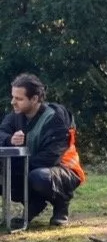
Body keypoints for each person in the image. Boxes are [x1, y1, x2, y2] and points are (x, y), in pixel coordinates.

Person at [6, 73, 86, 229]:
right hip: (29, 166)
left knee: (38, 177)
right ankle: (34, 204)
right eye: (13, 97)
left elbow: (50, 158)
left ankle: (61, 204)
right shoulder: (15, 116)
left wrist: (17, 169)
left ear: (34, 99)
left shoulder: (55, 119)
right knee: (5, 174)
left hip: (64, 170)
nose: (13, 102)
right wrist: (9, 140)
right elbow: (2, 133)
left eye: (19, 99)